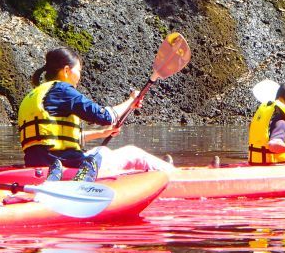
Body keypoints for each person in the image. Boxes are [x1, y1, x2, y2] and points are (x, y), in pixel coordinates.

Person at [17, 47, 174, 182]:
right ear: (66, 70)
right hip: (64, 165)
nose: (79, 76)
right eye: (78, 71)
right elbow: (106, 117)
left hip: (38, 165)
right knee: (134, 154)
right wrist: (131, 101)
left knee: (102, 152)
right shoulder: (62, 90)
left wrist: (102, 133)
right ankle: (173, 175)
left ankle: (162, 168)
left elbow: (57, 137)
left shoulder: (35, 94)